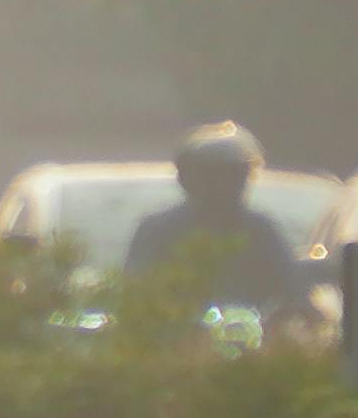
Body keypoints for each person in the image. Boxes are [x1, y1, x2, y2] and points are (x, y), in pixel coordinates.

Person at [127, 121, 309, 322]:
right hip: (172, 342)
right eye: (210, 175)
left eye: (232, 175)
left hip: (251, 344)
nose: (221, 185)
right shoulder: (158, 231)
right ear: (186, 178)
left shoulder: (260, 231)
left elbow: (293, 292)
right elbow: (135, 294)